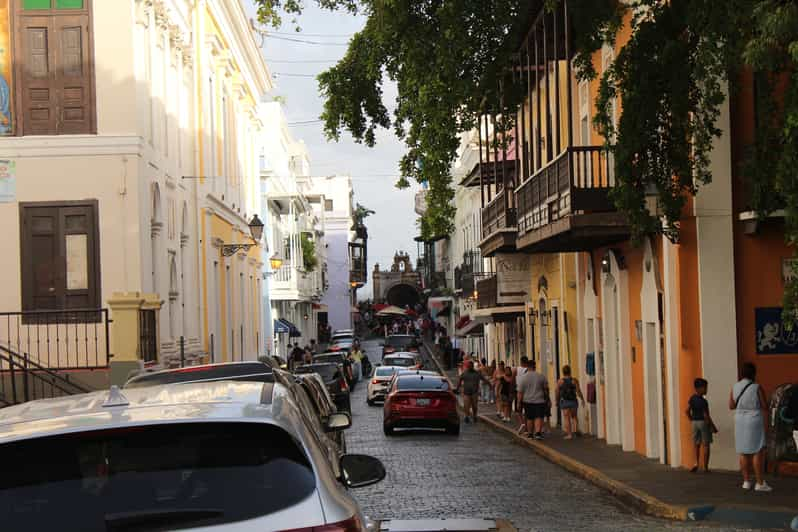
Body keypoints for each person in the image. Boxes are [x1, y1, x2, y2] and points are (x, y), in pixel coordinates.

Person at [729, 362, 772, 492]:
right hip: (754, 420)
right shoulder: (756, 387)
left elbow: (731, 406)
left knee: (743, 451)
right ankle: (760, 483)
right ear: (753, 373)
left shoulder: (735, 387)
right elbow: (764, 406)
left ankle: (746, 481)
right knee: (757, 450)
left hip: (739, 420)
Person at [686, 377, 718, 472]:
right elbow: (706, 415)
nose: (706, 389)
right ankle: (705, 467)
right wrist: (712, 426)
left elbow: (687, 411)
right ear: (699, 388)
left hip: (694, 423)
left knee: (696, 444)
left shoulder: (692, 398)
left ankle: (696, 463)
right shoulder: (703, 401)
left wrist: (691, 419)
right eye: (705, 388)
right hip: (703, 423)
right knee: (706, 444)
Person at [516, 356, 549, 440]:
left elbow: (520, 392)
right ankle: (538, 433)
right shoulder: (541, 376)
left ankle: (530, 434)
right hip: (539, 400)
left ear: (527, 366)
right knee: (538, 417)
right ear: (535, 366)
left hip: (528, 401)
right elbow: (545, 389)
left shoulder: (523, 378)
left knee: (530, 417)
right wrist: (548, 399)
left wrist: (519, 403)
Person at [556, 365, 585, 440]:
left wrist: (557, 400)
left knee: (566, 418)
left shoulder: (560, 381)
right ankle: (576, 430)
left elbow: (557, 392)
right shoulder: (574, 380)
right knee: (574, 416)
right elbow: (578, 391)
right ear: (570, 371)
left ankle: (569, 434)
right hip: (573, 401)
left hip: (564, 401)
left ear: (563, 372)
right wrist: (582, 399)